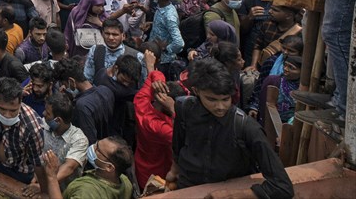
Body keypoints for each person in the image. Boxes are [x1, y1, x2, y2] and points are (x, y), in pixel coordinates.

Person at [167, 58, 294, 198]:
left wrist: (237, 195)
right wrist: (174, 171)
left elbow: (283, 187)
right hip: (188, 186)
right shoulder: (184, 108)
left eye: (225, 99)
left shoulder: (246, 126)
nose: (220, 107)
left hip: (230, 187)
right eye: (212, 99)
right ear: (196, 91)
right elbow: (178, 146)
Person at [134, 49, 185, 187]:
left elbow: (154, 77)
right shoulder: (157, 126)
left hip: (143, 163)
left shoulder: (141, 102)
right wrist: (174, 110)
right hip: (156, 174)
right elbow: (185, 138)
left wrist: (151, 69)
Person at [40, 137, 135, 199]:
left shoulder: (86, 192)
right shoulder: (125, 181)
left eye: (97, 150)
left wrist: (51, 176)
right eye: (97, 143)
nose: (92, 147)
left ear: (109, 167)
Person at [53, 57, 114, 145]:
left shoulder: (82, 106)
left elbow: (89, 140)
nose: (64, 87)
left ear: (71, 81)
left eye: (64, 84)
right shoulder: (106, 90)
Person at [40, 92, 89, 192]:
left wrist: (44, 186)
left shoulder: (79, 139)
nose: (43, 114)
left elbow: (69, 167)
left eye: (48, 113)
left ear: (57, 120)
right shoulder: (43, 124)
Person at [82, 19, 145, 85]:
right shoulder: (95, 50)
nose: (110, 37)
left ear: (123, 36)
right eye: (107, 34)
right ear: (102, 34)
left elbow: (141, 85)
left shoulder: (137, 56)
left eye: (115, 34)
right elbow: (88, 78)